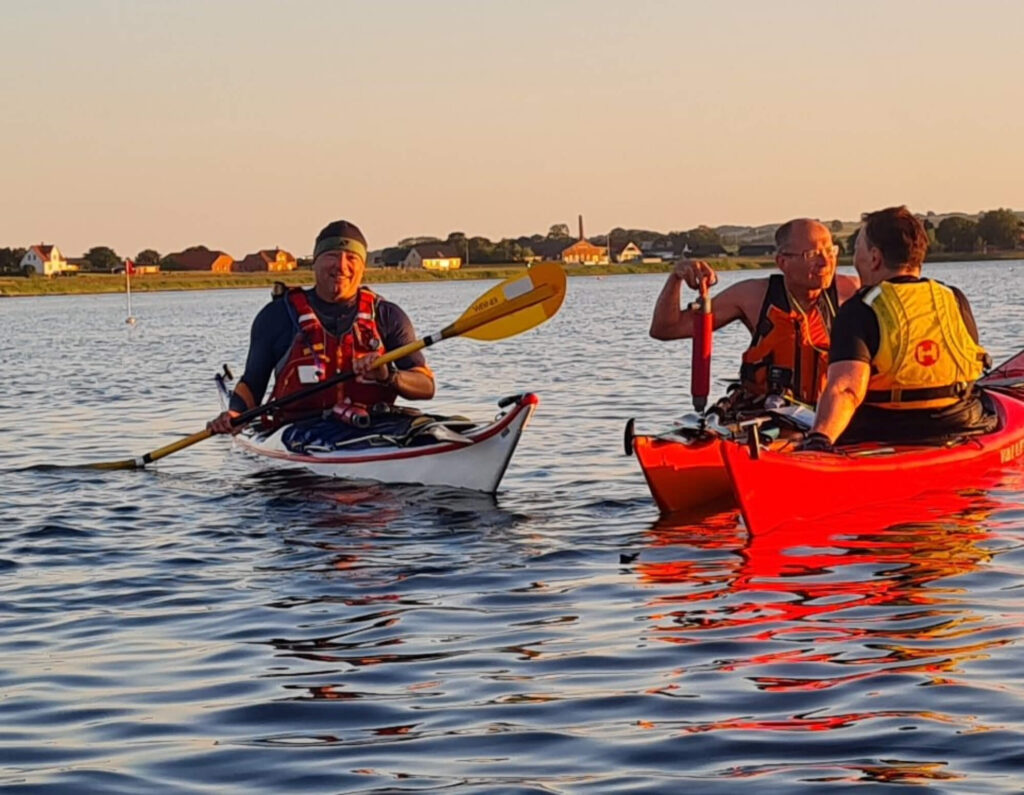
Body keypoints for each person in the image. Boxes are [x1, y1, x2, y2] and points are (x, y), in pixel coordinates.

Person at [209, 220, 435, 439]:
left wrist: (389, 375)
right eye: (332, 256)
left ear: (362, 267)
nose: (342, 266)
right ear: (314, 262)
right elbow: (252, 384)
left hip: (373, 427)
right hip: (295, 431)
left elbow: (426, 386)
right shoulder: (275, 316)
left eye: (352, 258)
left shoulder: (388, 315)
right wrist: (235, 414)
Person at [802, 206, 994, 451]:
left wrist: (818, 439)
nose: (854, 258)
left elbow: (846, 389)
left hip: (888, 432)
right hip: (960, 424)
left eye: (857, 249)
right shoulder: (953, 298)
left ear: (874, 257)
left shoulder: (859, 310)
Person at [650, 219, 861, 409]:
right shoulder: (751, 296)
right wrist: (676, 278)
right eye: (812, 255)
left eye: (830, 251)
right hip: (768, 416)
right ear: (782, 262)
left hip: (832, 417)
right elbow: (665, 329)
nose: (826, 262)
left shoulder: (852, 291)